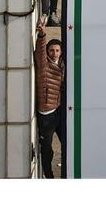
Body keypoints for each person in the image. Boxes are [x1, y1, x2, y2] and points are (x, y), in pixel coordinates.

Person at [35, 24, 65, 178]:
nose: (54, 53)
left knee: (67, 143)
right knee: (47, 148)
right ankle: (49, 175)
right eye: (51, 50)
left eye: (57, 50)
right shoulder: (43, 64)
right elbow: (40, 51)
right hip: (46, 113)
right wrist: (42, 35)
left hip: (58, 110)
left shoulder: (62, 64)